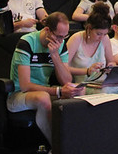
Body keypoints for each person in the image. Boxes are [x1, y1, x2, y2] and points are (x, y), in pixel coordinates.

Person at [7, 12, 84, 144]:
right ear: (47, 30)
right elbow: (25, 85)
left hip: (44, 91)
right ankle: (56, 147)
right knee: (43, 97)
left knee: (77, 90)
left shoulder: (60, 45)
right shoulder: (27, 42)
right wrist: (58, 92)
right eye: (59, 36)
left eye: (64, 36)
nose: (61, 41)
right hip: (19, 94)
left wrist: (55, 56)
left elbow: (66, 80)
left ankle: (77, 140)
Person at [67, 4, 118, 93]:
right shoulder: (76, 39)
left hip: (103, 83)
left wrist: (111, 66)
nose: (101, 37)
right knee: (105, 92)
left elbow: (111, 61)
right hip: (84, 85)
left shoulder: (105, 38)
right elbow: (63, 68)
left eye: (104, 34)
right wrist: (87, 71)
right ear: (89, 28)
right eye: (98, 34)